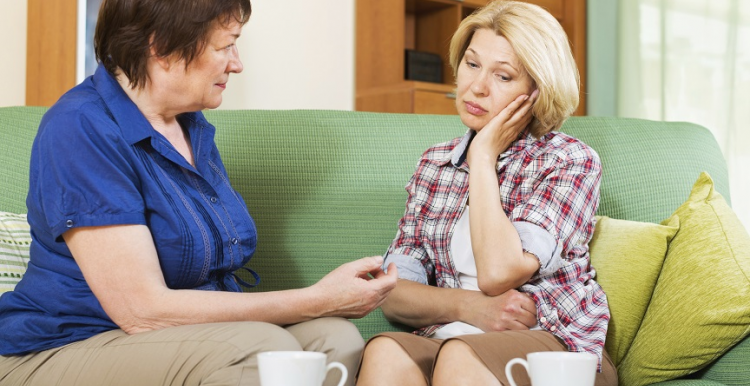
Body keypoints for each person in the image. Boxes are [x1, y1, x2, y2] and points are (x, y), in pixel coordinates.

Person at [0, 1, 397, 385]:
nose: (237, 63)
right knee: (262, 347)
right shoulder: (80, 127)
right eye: (225, 45)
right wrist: (315, 299)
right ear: (161, 46)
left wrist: (324, 307)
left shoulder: (189, 123)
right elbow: (141, 310)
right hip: (65, 346)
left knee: (333, 338)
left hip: (170, 340)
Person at [356, 1, 617, 385]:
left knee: (461, 356)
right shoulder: (435, 164)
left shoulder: (569, 161)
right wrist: (470, 307)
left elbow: (498, 274)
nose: (477, 87)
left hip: (553, 346)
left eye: (504, 76)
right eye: (472, 64)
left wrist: (481, 158)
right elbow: (392, 294)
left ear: (536, 90)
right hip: (450, 336)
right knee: (386, 351)